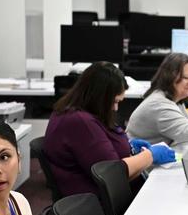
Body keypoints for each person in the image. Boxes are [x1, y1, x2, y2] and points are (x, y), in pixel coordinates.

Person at [45, 62, 174, 197]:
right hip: (98, 204)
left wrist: (128, 147)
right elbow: (113, 174)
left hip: (104, 196)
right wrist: (150, 156)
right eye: (114, 102)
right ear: (98, 96)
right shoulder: (79, 122)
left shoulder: (80, 113)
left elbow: (98, 151)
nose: (115, 108)